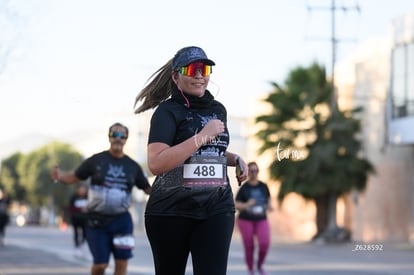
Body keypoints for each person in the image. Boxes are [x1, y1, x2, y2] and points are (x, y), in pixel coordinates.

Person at [133, 46, 248, 275]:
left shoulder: (218, 110)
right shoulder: (167, 112)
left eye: (204, 69)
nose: (199, 75)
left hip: (216, 208)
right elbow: (156, 163)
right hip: (171, 211)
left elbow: (206, 152)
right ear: (176, 76)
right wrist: (204, 135)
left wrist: (234, 158)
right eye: (192, 69)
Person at [51, 122, 152, 275]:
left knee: (122, 263)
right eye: (115, 135)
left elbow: (147, 189)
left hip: (122, 222)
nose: (118, 138)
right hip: (96, 221)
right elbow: (74, 177)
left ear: (126, 139)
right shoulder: (96, 161)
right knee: (101, 265)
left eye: (122, 135)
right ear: (109, 137)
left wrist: (168, 187)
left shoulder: (133, 166)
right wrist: (59, 177)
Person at [235, 162, 272, 275]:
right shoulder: (244, 188)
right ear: (248, 172)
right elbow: (236, 204)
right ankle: (251, 270)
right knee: (249, 245)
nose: (254, 173)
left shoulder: (263, 186)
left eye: (256, 171)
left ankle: (260, 265)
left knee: (264, 243)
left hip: (261, 218)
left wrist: (269, 205)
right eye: (251, 171)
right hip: (245, 220)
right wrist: (247, 205)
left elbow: (268, 198)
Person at [68, 183, 88, 258]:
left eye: (83, 189)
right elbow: (70, 208)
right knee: (76, 233)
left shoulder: (88, 197)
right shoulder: (74, 198)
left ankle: (82, 246)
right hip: (76, 218)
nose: (82, 191)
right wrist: (79, 210)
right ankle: (76, 247)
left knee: (85, 233)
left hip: (85, 219)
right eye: (80, 189)